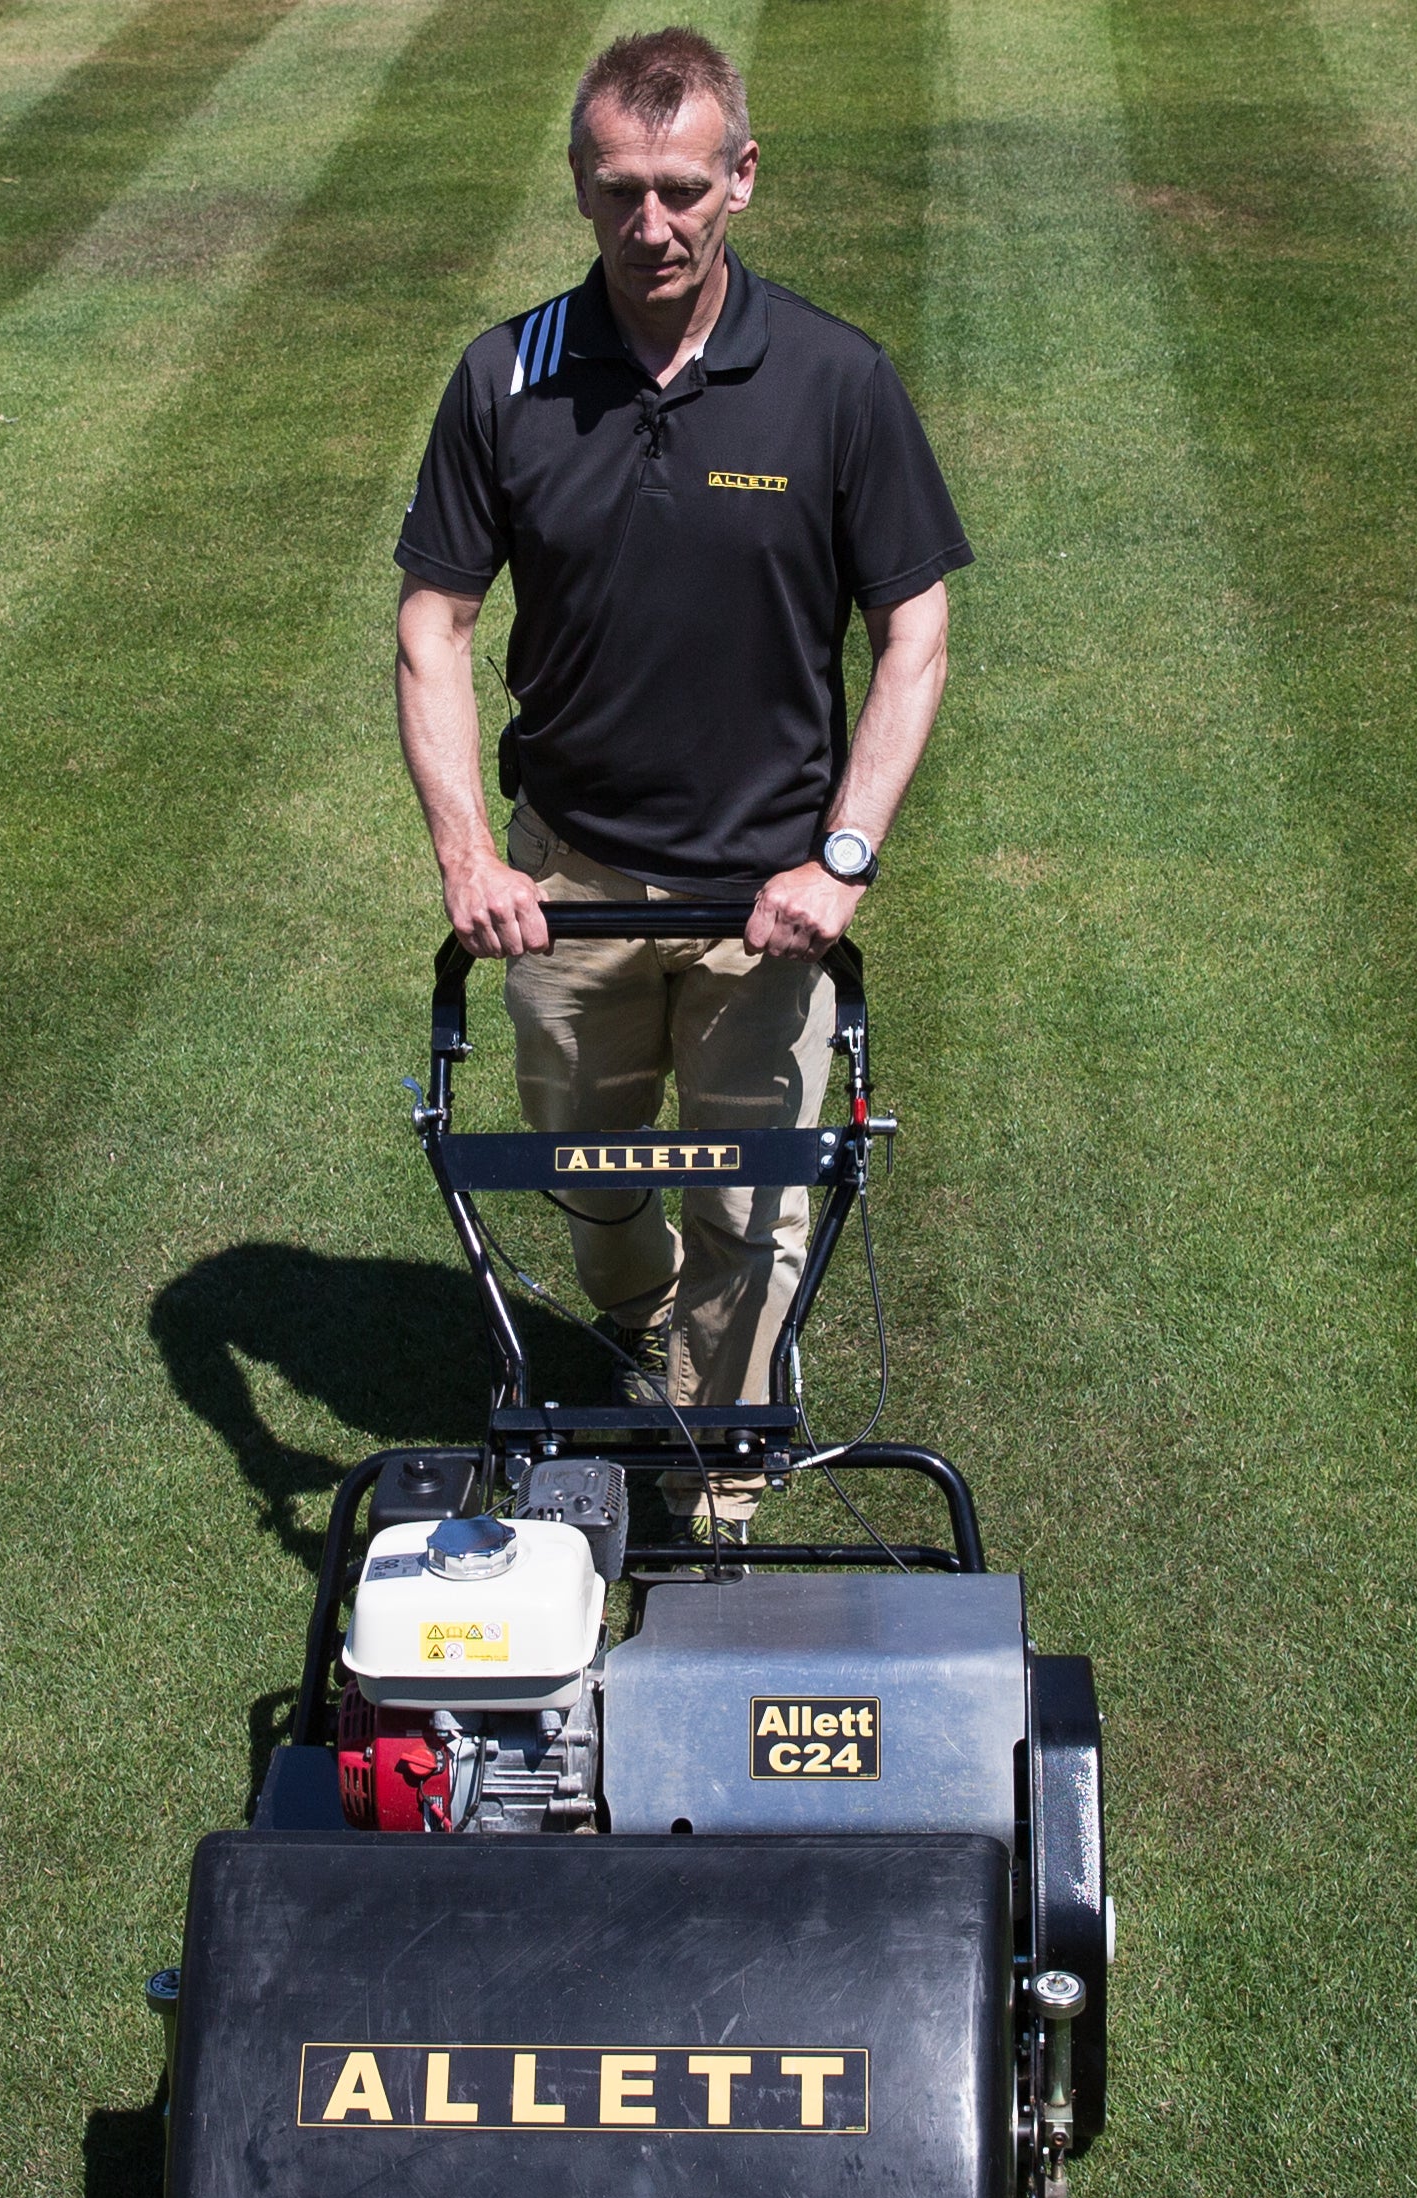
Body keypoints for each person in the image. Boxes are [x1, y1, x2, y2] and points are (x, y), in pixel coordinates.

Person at [392, 24, 968, 1544]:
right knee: (589, 1178)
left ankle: (721, 1471)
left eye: (681, 189)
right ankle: (631, 1307)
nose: (651, 225)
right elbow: (432, 625)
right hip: (562, 883)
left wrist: (841, 858)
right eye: (618, 191)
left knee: (754, 1207)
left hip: (764, 900)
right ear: (580, 189)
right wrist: (469, 859)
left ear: (742, 181)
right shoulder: (506, 378)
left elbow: (913, 633)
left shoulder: (837, 383)